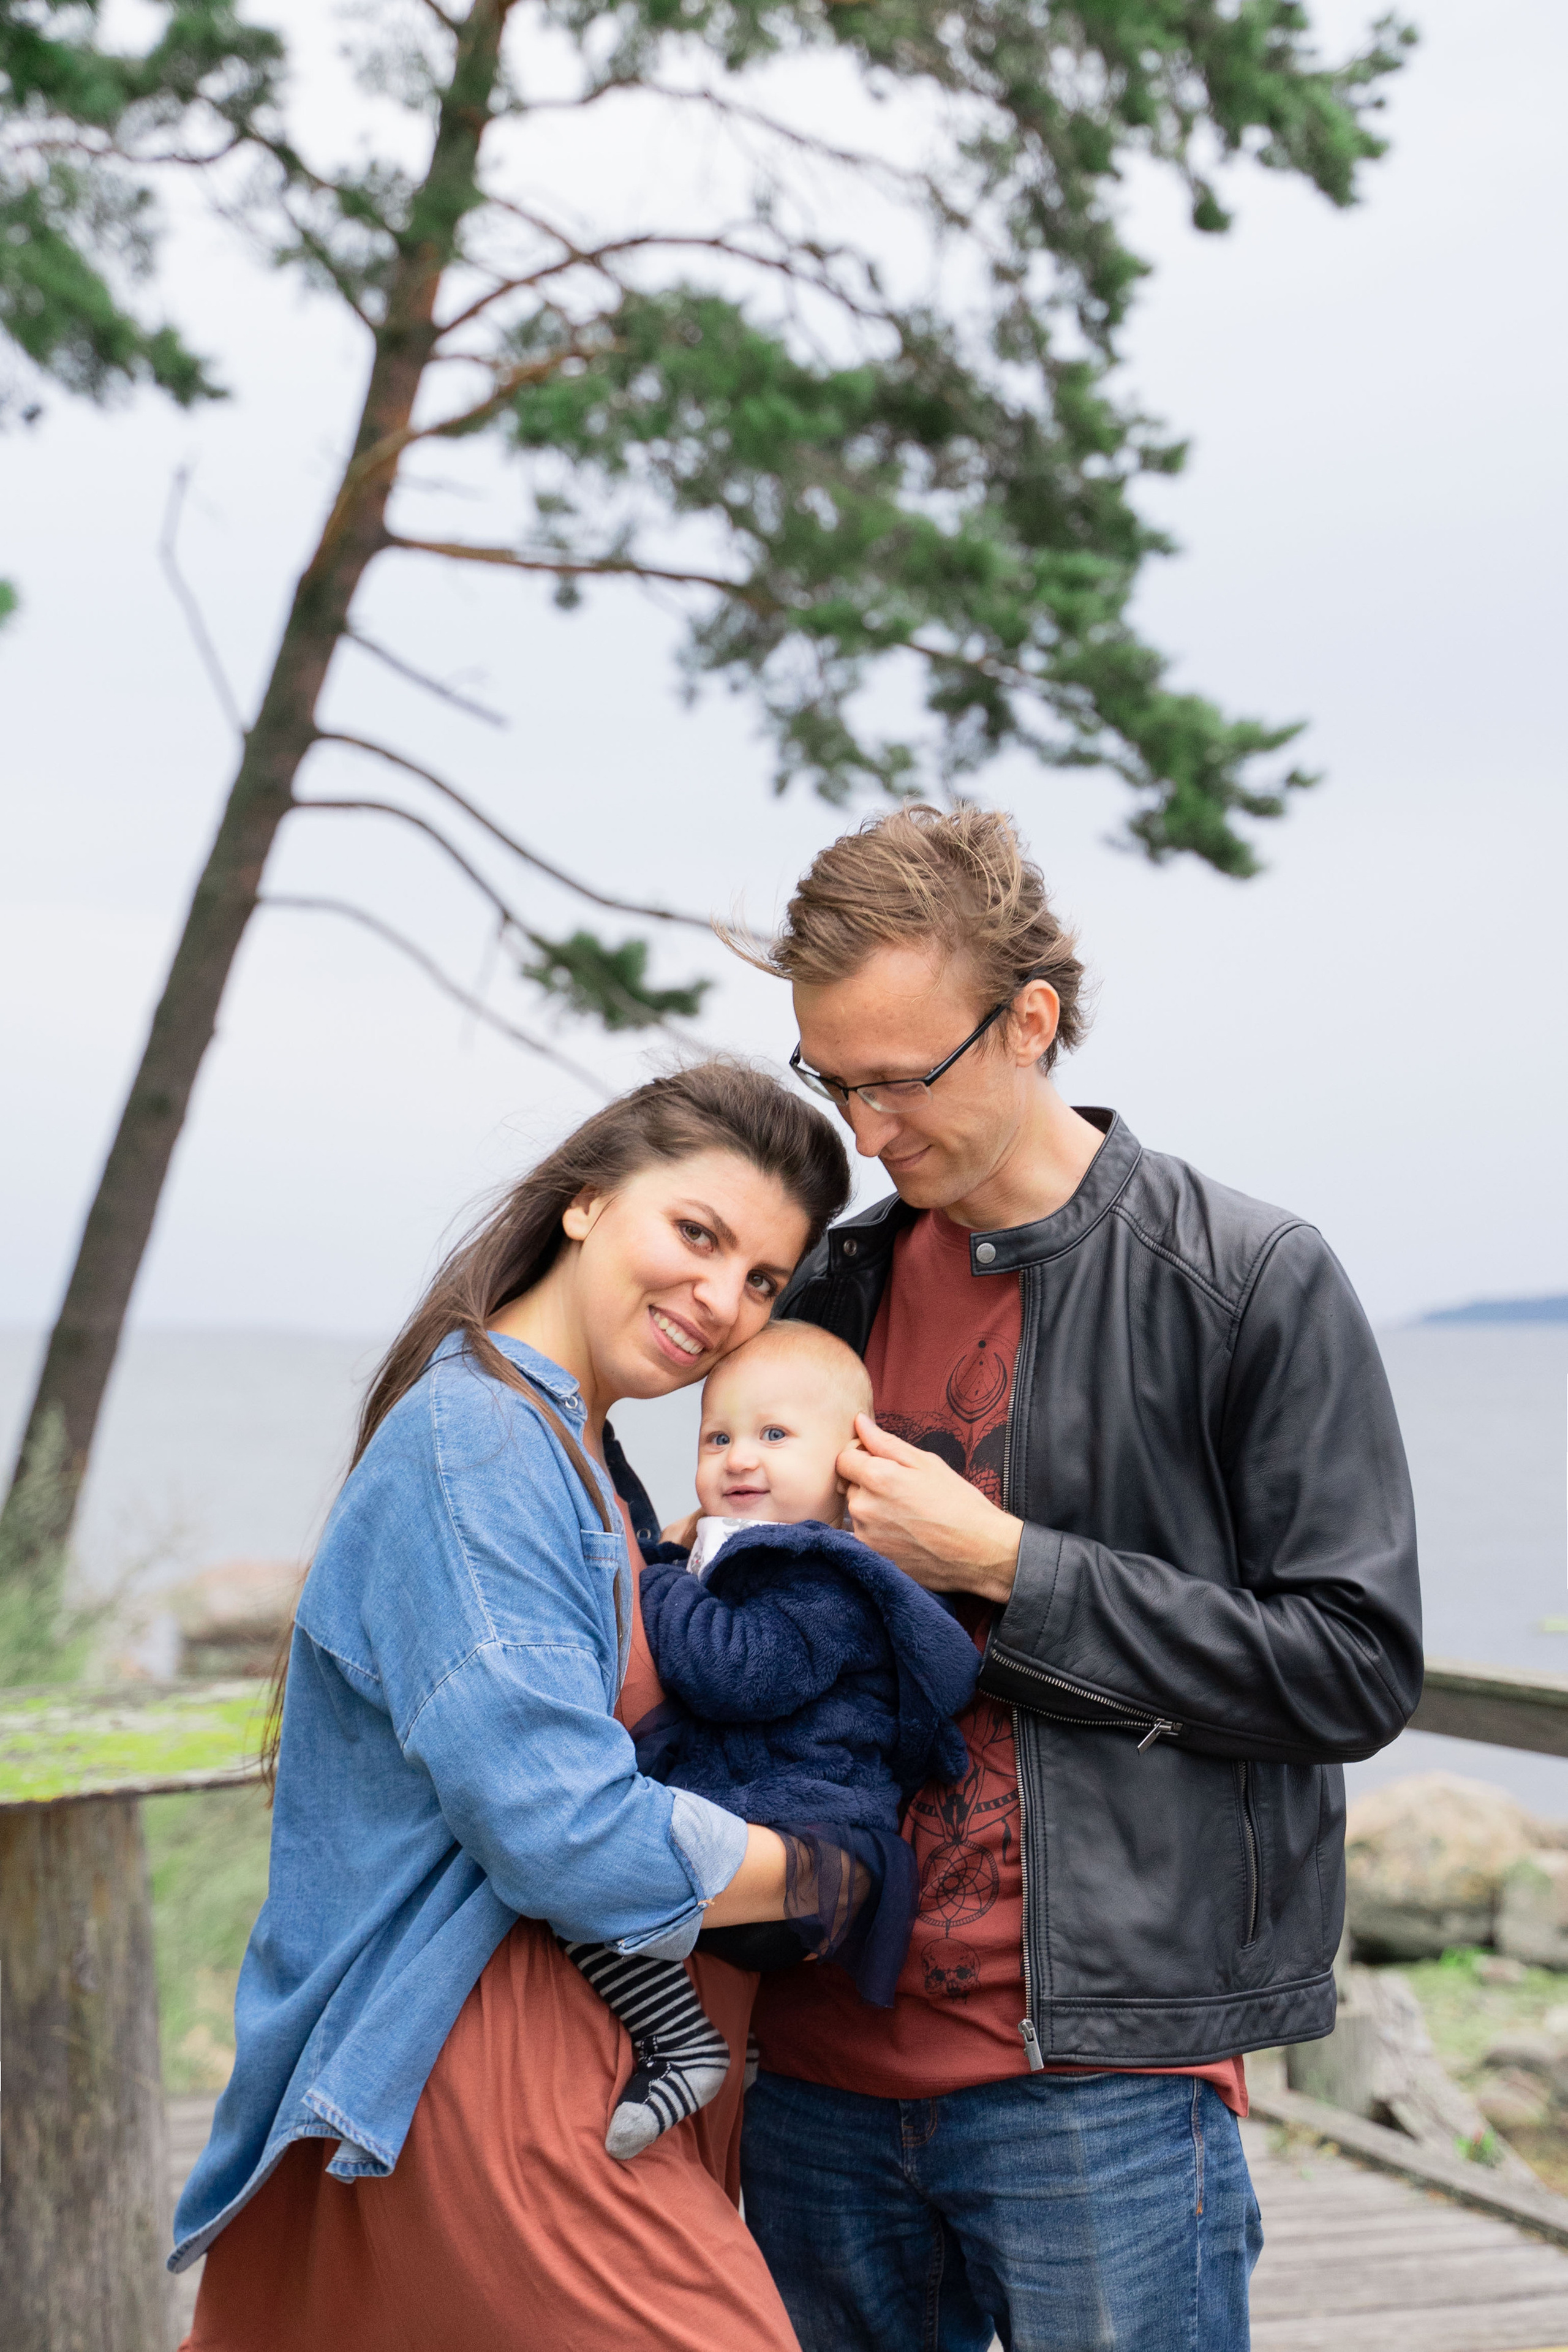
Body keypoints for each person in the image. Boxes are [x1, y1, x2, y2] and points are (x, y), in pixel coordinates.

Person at [738, 807, 1423, 2352]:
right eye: (830, 1079)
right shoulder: (827, 1289)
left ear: (1029, 1019)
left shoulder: (1246, 1280)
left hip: (1099, 2091)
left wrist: (1005, 1567)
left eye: (898, 1079)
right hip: (811, 2076)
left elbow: (1352, 1667)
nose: (864, 1130)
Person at [170, 1060, 850, 2352]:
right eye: (696, 1234)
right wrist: (826, 1874)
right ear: (585, 1202)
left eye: (764, 1279)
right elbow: (563, 1830)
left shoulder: (577, 1451)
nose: (723, 1302)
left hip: (607, 2069)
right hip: (511, 2081)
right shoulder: (480, 1442)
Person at [567, 1319, 979, 2160]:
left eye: (774, 1435)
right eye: (716, 1438)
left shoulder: (829, 1576)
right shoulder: (758, 1551)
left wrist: (655, 1583)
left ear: (850, 1460)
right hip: (773, 1821)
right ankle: (738, 2042)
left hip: (807, 1840)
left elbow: (736, 1671)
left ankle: (679, 2041)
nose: (739, 1458)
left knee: (583, 1871)